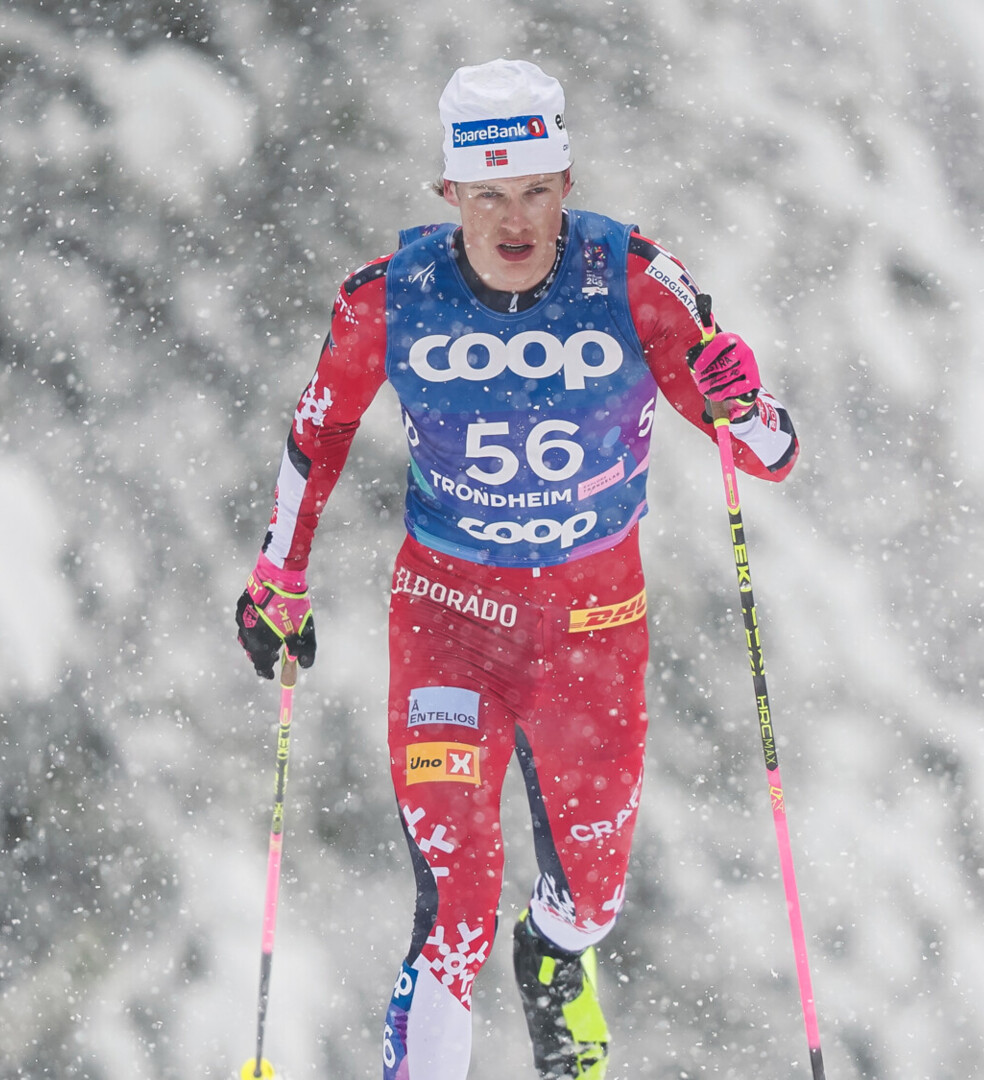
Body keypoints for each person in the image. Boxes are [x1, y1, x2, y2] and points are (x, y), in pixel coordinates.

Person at [234, 58, 799, 1080]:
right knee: (454, 901)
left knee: (592, 896)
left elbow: (768, 454)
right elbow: (318, 434)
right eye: (488, 193)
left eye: (535, 190)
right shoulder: (388, 300)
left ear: (567, 185)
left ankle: (554, 951)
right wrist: (279, 576)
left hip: (593, 627)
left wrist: (744, 400)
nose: (514, 219)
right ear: (448, 194)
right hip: (449, 618)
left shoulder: (631, 281)